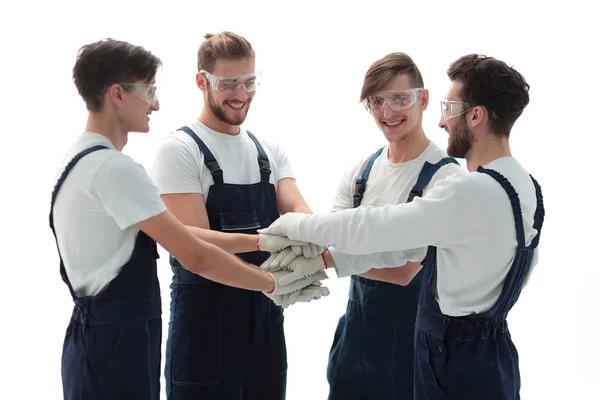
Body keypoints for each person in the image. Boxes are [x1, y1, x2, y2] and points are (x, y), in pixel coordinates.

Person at [259, 53, 545, 400]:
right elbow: (395, 246)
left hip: (447, 355)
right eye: (376, 102)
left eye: (449, 109)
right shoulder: (526, 187)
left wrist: (298, 227)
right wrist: (325, 259)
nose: (443, 122)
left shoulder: (464, 189)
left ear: (475, 115)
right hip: (490, 355)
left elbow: (380, 230)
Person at [50, 38, 320, 400]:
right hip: (128, 341)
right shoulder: (118, 168)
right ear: (117, 94)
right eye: (148, 90)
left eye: (249, 81)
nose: (156, 103)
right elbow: (194, 253)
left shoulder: (81, 158)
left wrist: (263, 242)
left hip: (113, 337)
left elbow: (186, 236)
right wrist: (273, 283)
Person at [150, 31, 327, 400]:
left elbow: (298, 210)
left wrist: (310, 241)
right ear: (202, 81)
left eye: (249, 81)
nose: (241, 94)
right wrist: (269, 252)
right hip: (204, 329)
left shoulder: (269, 151)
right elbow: (194, 245)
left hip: (266, 323)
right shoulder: (180, 150)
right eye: (228, 83)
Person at [321, 52, 463, 400]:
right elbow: (329, 244)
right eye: (376, 102)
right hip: (354, 337)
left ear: (423, 99)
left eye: (399, 99)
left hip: (411, 347)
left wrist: (336, 258)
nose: (387, 113)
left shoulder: (445, 179)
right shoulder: (361, 172)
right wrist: (331, 255)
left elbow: (405, 271)